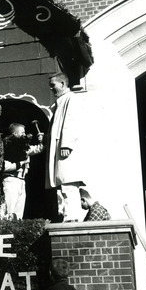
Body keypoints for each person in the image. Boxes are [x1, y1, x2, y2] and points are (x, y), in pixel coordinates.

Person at [45, 73, 85, 222]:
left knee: (68, 182)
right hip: (60, 147)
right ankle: (68, 215)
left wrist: (66, 144)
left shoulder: (71, 98)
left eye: (53, 85)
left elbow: (71, 122)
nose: (51, 89)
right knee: (63, 184)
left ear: (62, 84)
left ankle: (72, 216)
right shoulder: (60, 101)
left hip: (65, 149)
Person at [1, 123, 43, 220]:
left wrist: (42, 140)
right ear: (15, 134)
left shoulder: (24, 148)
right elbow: (4, 166)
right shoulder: (7, 147)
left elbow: (39, 149)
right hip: (11, 180)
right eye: (22, 133)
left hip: (21, 180)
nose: (25, 135)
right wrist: (20, 163)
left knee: (19, 214)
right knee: (9, 212)